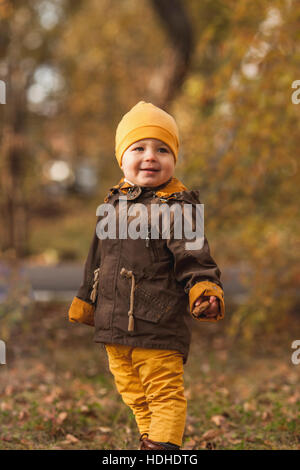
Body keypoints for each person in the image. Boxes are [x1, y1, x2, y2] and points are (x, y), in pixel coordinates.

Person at [68, 101, 225, 450]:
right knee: (134, 394)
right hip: (114, 325)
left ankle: (162, 449)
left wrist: (204, 288)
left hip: (157, 322)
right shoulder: (112, 203)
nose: (151, 156)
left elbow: (194, 257)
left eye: (162, 149)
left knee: (163, 393)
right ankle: (149, 440)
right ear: (121, 159)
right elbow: (96, 259)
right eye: (139, 148)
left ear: (175, 159)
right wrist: (85, 298)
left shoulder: (177, 207)